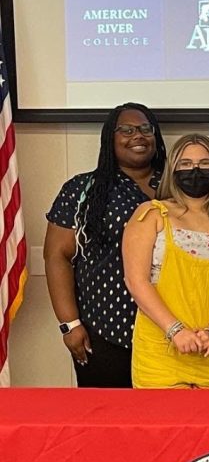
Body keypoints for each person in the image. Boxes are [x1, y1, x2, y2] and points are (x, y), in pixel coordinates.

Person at [44, 103, 166, 387]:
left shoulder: (177, 186)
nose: (137, 136)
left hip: (171, 332)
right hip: (105, 329)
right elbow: (56, 256)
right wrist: (70, 324)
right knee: (107, 422)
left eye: (145, 129)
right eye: (126, 130)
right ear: (109, 138)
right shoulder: (82, 189)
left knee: (164, 422)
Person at [123, 134, 209, 388]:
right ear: (173, 170)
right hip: (160, 351)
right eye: (185, 163)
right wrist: (175, 330)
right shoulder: (152, 214)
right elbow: (136, 281)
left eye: (204, 163)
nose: (195, 170)